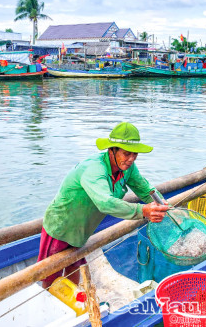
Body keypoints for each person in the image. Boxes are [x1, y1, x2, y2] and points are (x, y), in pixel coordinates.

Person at [37, 122, 170, 288]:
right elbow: (105, 203)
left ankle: (74, 301)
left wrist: (159, 202)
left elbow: (143, 187)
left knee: (75, 268)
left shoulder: (128, 168)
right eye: (126, 153)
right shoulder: (94, 169)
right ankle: (53, 305)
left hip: (81, 230)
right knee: (51, 276)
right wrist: (143, 210)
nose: (131, 159)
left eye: (135, 154)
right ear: (111, 150)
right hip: (61, 227)